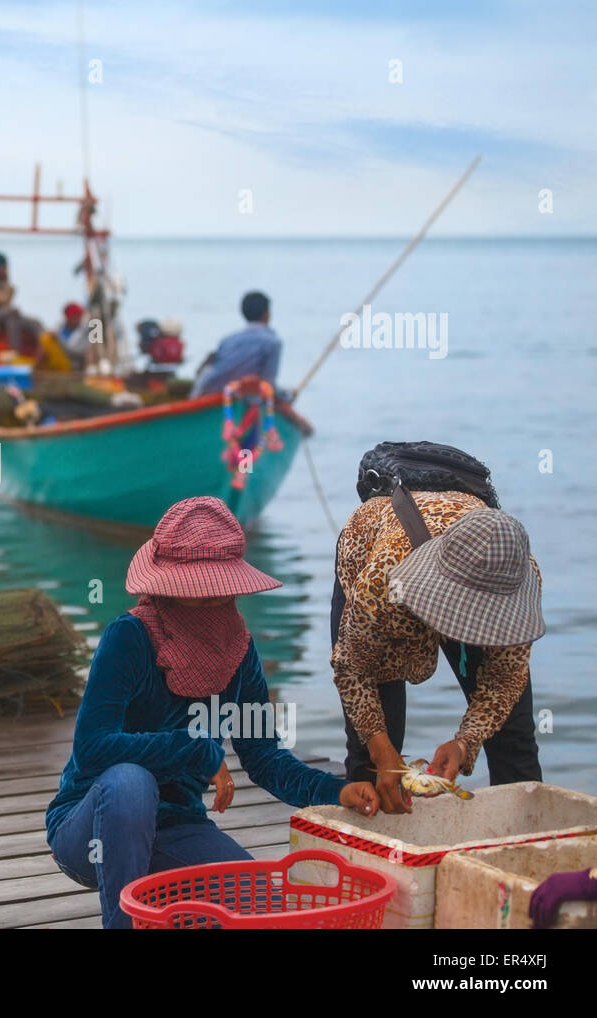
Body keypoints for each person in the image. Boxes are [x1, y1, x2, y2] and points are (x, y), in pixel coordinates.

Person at [47, 496, 379, 929]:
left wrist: (336, 791)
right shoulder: (128, 637)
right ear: (168, 588)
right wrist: (196, 751)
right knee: (131, 781)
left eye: (222, 592)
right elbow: (93, 750)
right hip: (92, 827)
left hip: (175, 828)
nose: (214, 601)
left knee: (265, 909)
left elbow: (265, 758)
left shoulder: (238, 650)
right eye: (199, 595)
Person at [332, 489, 544, 814]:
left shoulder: (516, 576)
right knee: (372, 758)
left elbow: (505, 680)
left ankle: (522, 851)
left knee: (514, 740)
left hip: (467, 566)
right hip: (387, 572)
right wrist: (381, 749)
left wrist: (464, 743)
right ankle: (372, 853)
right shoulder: (381, 581)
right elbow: (353, 670)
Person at [192, 291, 283, 397]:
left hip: (214, 392)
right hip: (242, 396)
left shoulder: (228, 340)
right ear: (267, 314)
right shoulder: (272, 342)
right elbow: (268, 383)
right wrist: (286, 396)